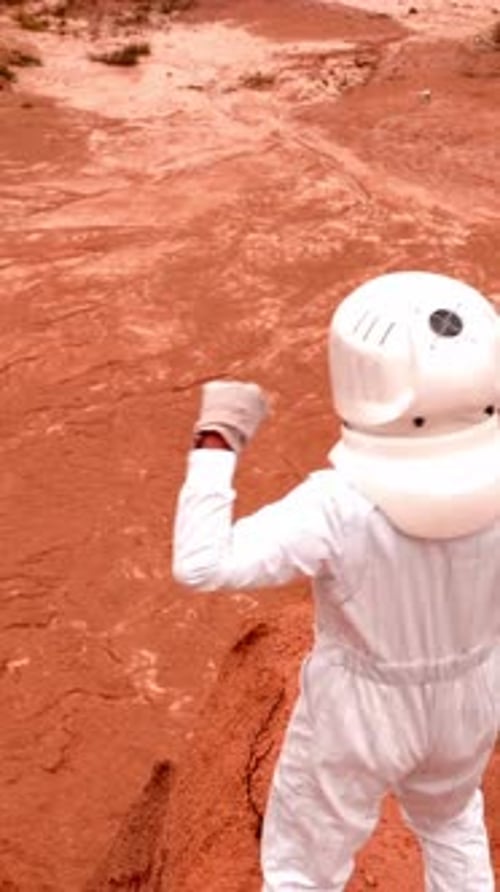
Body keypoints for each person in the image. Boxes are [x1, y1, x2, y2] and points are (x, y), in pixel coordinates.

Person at [172, 270, 500, 891]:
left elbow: (203, 563)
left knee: (303, 871)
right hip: (473, 696)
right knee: (454, 824)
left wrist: (218, 440)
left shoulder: (338, 502)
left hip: (360, 708)